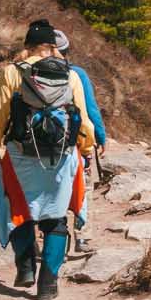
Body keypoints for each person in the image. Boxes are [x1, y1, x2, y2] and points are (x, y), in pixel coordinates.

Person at [0, 19, 96, 300]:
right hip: (61, 159)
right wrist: (85, 151)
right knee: (55, 219)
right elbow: (83, 121)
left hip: (21, 157)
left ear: (28, 46)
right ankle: (48, 283)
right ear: (52, 46)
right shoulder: (70, 76)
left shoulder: (12, 73)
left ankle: (25, 268)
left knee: (21, 212)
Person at [52, 29, 106, 253]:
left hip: (44, 144)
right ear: (66, 51)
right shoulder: (77, 74)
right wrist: (100, 137)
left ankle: (55, 239)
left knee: (55, 189)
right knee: (83, 188)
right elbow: (90, 110)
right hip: (75, 142)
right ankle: (82, 237)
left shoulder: (30, 73)